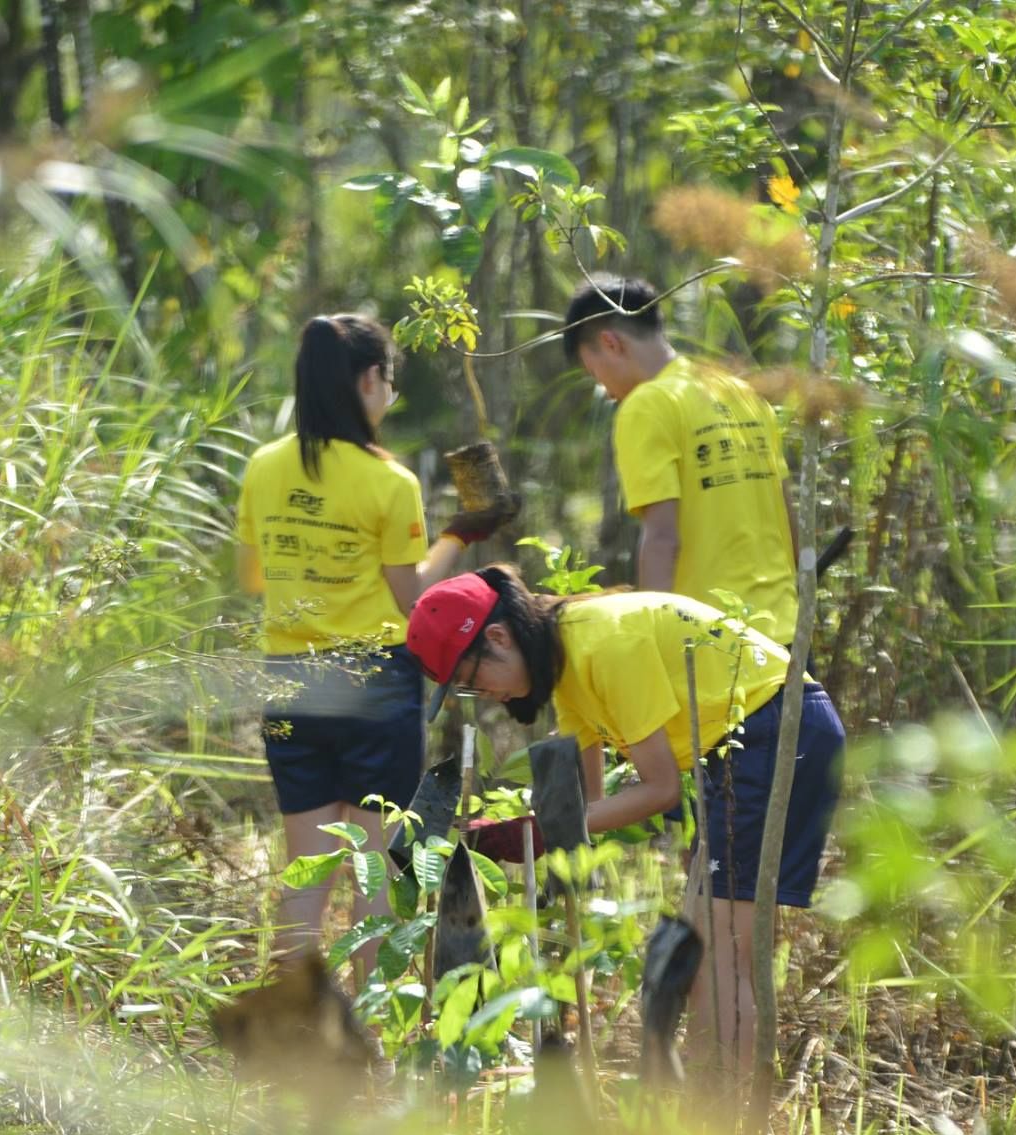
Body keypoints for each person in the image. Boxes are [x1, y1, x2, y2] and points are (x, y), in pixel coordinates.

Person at [404, 566, 845, 1087]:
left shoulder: (604, 644)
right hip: (739, 747)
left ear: (498, 637)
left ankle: (727, 1119)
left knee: (720, 959)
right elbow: (591, 805)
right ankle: (710, 1111)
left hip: (777, 732)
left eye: (472, 679)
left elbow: (658, 790)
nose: (484, 693)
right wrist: (520, 829)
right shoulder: (566, 662)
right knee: (700, 958)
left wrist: (535, 833)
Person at [236, 314, 512, 966]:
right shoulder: (389, 481)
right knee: (377, 876)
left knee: (305, 876)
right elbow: (412, 598)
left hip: (289, 680)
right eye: (389, 379)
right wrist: (459, 534)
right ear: (367, 380)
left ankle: (295, 1019)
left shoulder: (264, 467)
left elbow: (252, 578)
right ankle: (374, 1023)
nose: (391, 393)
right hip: (375, 685)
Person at [563, 275, 801, 647]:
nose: (605, 391)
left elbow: (662, 538)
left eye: (595, 373)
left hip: (714, 646)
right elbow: (786, 512)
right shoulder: (740, 392)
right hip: (787, 636)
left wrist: (655, 642)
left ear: (610, 343)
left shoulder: (647, 405)